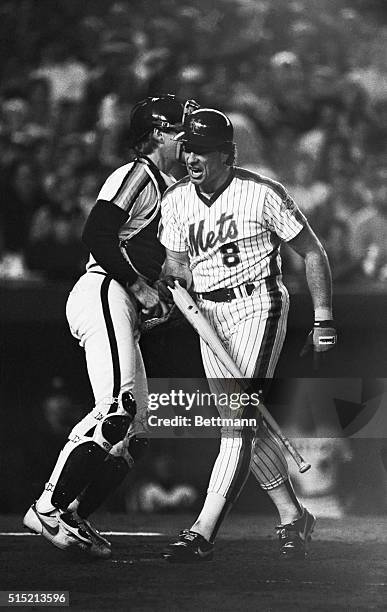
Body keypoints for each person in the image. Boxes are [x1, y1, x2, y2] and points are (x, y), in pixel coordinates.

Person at [158, 108, 337, 562]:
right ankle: (293, 515)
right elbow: (178, 266)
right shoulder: (177, 198)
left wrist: (323, 318)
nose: (191, 157)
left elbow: (312, 252)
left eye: (202, 149)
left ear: (227, 153)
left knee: (237, 421)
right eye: (187, 148)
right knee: (243, 425)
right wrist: (170, 284)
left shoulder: (260, 192)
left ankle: (201, 531)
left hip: (258, 303)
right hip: (207, 313)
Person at [23, 94, 189, 558]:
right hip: (103, 289)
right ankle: (48, 507)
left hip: (121, 297)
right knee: (116, 407)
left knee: (135, 431)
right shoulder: (139, 173)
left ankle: (74, 512)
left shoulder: (167, 189)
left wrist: (157, 296)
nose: (188, 139)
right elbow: (97, 233)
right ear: (158, 133)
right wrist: (138, 288)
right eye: (180, 129)